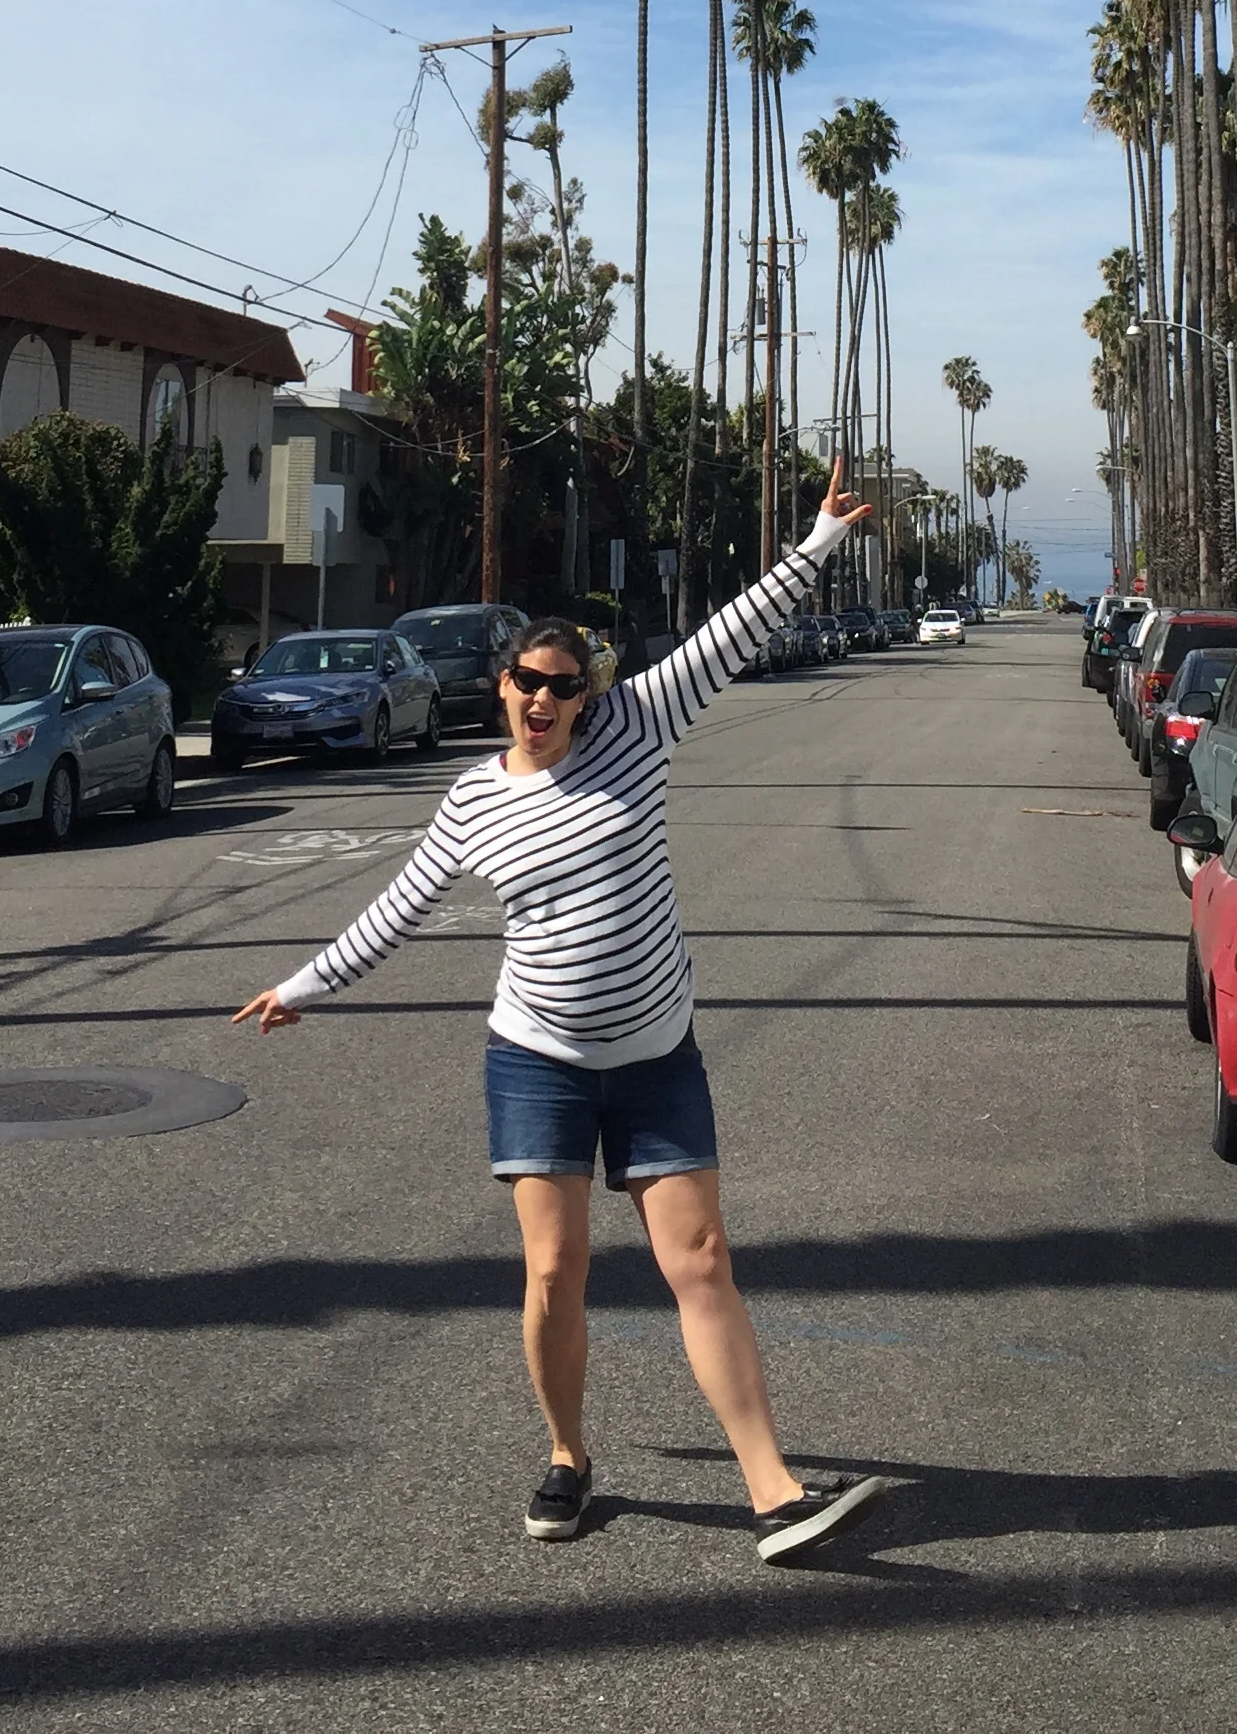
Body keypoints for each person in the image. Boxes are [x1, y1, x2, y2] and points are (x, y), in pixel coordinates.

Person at [236, 460, 892, 1564]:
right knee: (555, 1274)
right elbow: (398, 909)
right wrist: (304, 985)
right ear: (502, 686)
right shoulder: (472, 800)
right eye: (526, 682)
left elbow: (730, 635)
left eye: (563, 684)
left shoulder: (638, 729)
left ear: (591, 692)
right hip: (535, 1057)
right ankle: (569, 1459)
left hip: (656, 1053)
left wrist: (816, 544)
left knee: (703, 1260)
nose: (544, 700)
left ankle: (773, 1492)